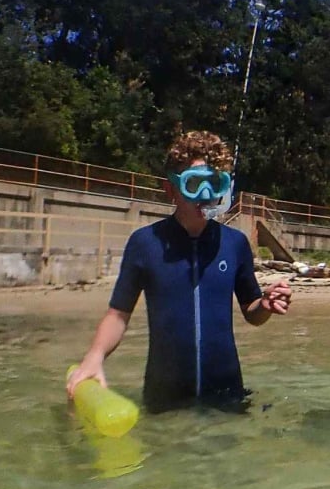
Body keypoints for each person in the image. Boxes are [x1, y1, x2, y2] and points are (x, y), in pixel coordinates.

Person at [67, 131, 292, 412]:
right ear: (170, 188)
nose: (206, 195)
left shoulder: (235, 244)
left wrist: (266, 304)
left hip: (227, 398)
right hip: (165, 400)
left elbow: (252, 310)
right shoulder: (145, 243)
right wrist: (94, 357)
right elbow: (117, 316)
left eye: (214, 183)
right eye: (194, 184)